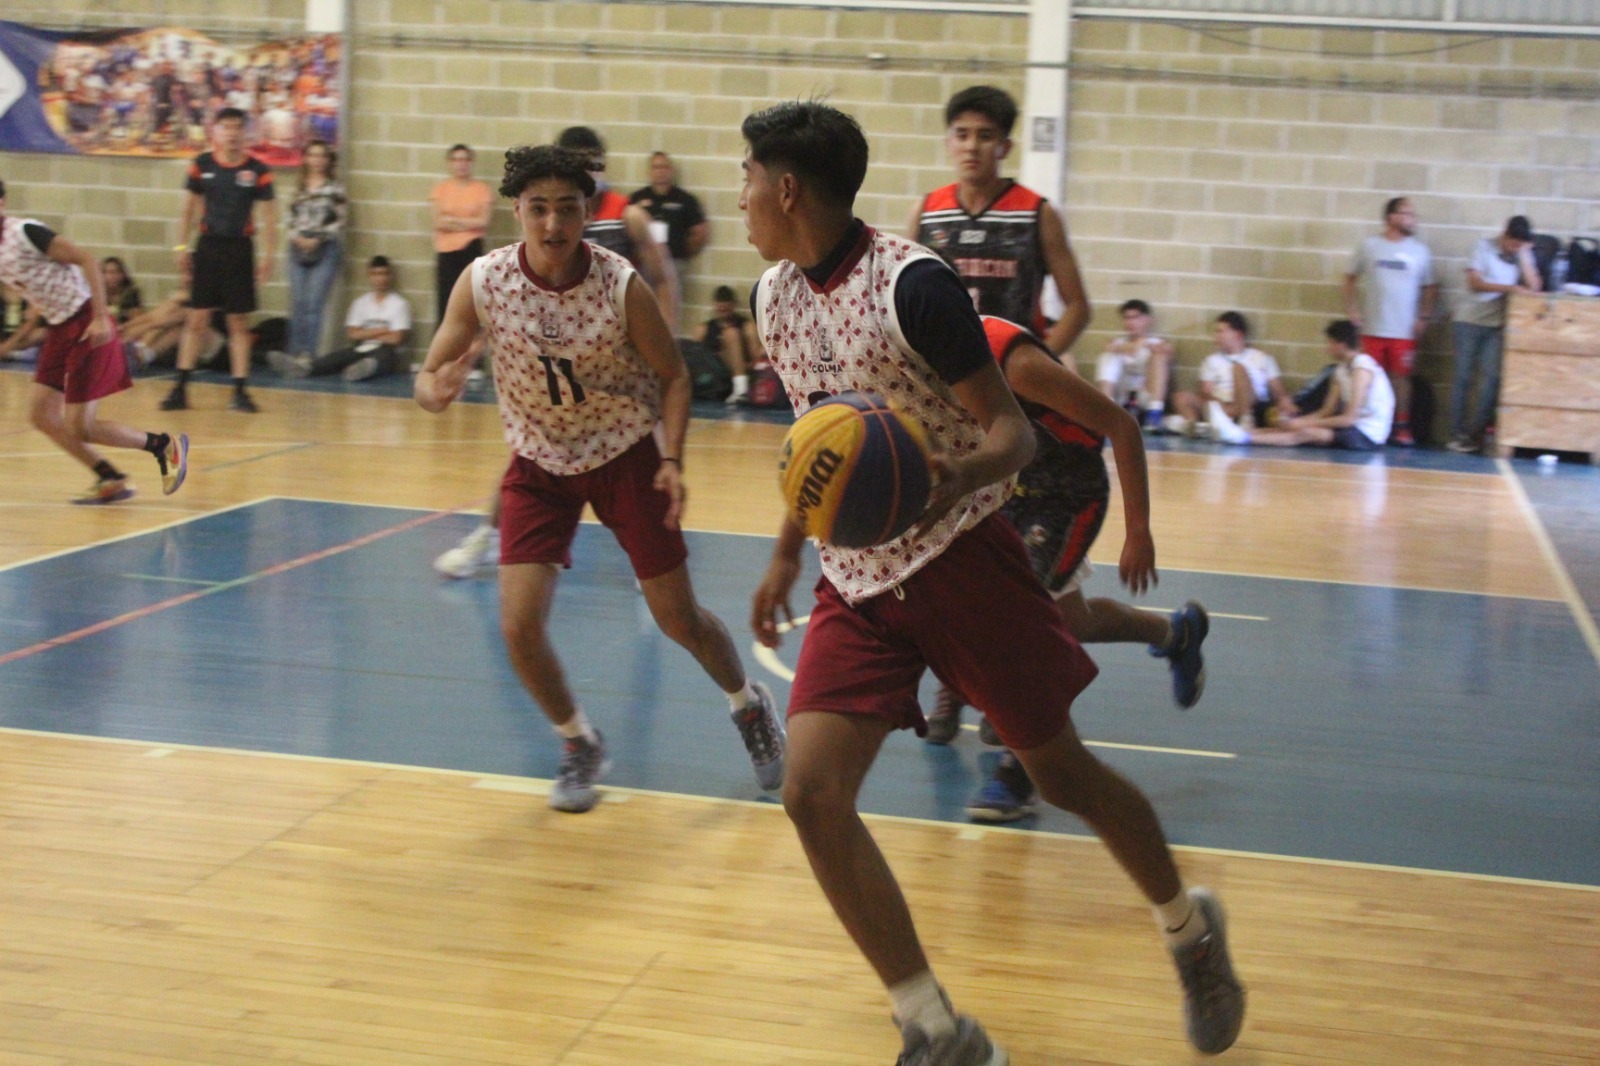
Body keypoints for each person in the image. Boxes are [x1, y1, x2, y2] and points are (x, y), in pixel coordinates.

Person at [741, 101, 1244, 1063]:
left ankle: (1190, 928)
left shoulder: (913, 287)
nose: (743, 199)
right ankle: (936, 1027)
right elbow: (817, 447)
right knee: (811, 794)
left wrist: (957, 473)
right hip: (857, 584)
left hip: (965, 561)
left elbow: (1013, 434)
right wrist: (782, 555)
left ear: (789, 188)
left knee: (1063, 776)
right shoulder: (773, 299)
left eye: (749, 181)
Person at [415, 143, 786, 813]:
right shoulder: (483, 280)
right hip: (538, 464)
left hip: (624, 455)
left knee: (678, 618)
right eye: (538, 209)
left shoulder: (620, 285)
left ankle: (747, 703)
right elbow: (431, 368)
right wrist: (430, 390)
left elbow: (674, 376)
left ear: (588, 213)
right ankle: (579, 741)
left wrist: (671, 461)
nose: (553, 224)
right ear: (517, 211)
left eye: (567, 209)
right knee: (518, 627)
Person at [929, 314, 1209, 826]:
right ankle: (1175, 634)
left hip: (1067, 493)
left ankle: (1018, 773)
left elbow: (1122, 427)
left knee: (1024, 622)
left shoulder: (1017, 364)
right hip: (1008, 485)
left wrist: (1138, 531)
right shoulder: (908, 359)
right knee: (1071, 620)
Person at [431, 126, 683, 581]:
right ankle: (488, 535)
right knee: (530, 449)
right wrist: (464, 358)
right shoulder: (501, 266)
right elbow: (515, 303)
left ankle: (652, 563)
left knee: (650, 509)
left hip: (612, 380)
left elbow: (662, 278)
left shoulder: (626, 216)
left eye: (591, 161)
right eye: (575, 158)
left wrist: (664, 333)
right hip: (551, 377)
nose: (554, 220)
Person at [0, 177, 188, 503]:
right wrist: (21, 335)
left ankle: (164, 446)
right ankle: (110, 477)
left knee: (81, 426)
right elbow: (30, 290)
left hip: (85, 320)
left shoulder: (25, 232)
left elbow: (87, 258)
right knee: (41, 415)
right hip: (59, 326)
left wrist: (100, 316)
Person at [910, 85, 1090, 359]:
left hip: (1012, 364)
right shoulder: (926, 211)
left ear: (1004, 147)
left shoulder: (1037, 213)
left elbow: (1078, 307)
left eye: (985, 136)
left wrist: (1038, 362)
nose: (971, 147)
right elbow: (903, 299)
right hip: (944, 367)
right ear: (949, 143)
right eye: (962, 135)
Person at [160, 106, 276, 413]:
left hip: (240, 250)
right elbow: (188, 210)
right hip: (208, 248)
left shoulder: (258, 170)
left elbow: (269, 217)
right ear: (217, 131)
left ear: (245, 132)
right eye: (227, 127)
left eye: (238, 127)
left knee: (238, 322)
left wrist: (269, 257)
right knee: (197, 319)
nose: (232, 133)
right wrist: (181, 248)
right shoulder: (202, 164)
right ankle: (180, 388)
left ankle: (240, 392)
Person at [556, 126, 674, 324]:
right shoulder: (553, 222)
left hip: (620, 329)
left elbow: (664, 280)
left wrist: (667, 336)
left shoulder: (630, 217)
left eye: (593, 165)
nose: (588, 174)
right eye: (579, 166)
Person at [1344, 196, 1437, 446]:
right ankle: (1367, 423)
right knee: (1369, 376)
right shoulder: (1370, 246)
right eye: (1406, 214)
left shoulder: (1420, 251)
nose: (1412, 219)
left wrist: (1424, 317)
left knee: (1401, 378)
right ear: (1391, 217)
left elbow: (1430, 287)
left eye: (1413, 214)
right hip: (1373, 327)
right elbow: (1350, 277)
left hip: (1403, 330)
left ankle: (1401, 425)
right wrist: (1352, 309)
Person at [1449, 215, 1540, 455]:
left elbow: (1534, 287)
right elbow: (1475, 283)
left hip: (1496, 325)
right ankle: (1456, 434)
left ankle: (1474, 434)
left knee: (1492, 379)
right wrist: (1509, 288)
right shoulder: (1483, 247)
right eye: (1512, 244)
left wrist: (1524, 256)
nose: (1514, 248)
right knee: (1463, 377)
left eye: (1519, 245)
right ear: (1505, 235)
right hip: (1469, 320)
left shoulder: (1520, 254)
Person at [1233, 320, 1395, 451]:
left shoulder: (1362, 368)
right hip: (1354, 427)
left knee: (1306, 433)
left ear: (1342, 345)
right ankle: (1241, 433)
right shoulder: (1340, 371)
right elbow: (1326, 410)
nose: (1327, 349)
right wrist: (1297, 421)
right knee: (1294, 427)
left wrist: (1303, 423)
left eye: (1330, 343)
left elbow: (1349, 419)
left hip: (1368, 434)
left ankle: (1245, 438)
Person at [269, 255, 410, 381]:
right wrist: (383, 330)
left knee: (382, 358)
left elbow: (396, 339)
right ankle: (305, 368)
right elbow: (353, 334)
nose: (380, 279)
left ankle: (362, 370)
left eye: (384, 274)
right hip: (361, 347)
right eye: (376, 274)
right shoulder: (360, 303)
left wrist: (365, 333)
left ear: (390, 276)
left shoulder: (399, 304)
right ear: (369, 276)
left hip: (385, 350)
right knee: (339, 356)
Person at [1168, 311, 1295, 443]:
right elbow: (1206, 393)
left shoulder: (1262, 358)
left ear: (1238, 334)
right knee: (1180, 397)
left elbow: (1279, 392)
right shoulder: (1211, 361)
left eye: (1221, 331)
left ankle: (1243, 420)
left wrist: (1286, 405)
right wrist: (1224, 407)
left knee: (1238, 369)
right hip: (1222, 406)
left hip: (1252, 406)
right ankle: (1196, 427)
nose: (1217, 336)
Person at [629, 151, 709, 332]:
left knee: (669, 313)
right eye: (656, 167)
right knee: (645, 310)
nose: (660, 171)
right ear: (650, 171)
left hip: (673, 263)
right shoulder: (638, 198)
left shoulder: (685, 200)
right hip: (645, 265)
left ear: (671, 170)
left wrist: (682, 253)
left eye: (664, 167)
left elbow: (699, 232)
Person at [283, 139, 347, 363]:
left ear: (327, 160)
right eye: (313, 155)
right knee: (298, 301)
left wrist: (318, 238)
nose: (317, 160)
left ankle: (309, 354)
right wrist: (297, 237)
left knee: (314, 302)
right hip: (297, 245)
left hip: (325, 247)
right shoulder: (299, 186)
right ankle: (294, 352)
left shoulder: (335, 188)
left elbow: (340, 220)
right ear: (307, 159)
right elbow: (290, 217)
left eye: (321, 156)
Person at [430, 144, 494, 328]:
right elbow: (438, 223)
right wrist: (468, 223)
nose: (461, 164)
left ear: (471, 162)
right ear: (450, 163)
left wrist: (453, 221)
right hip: (446, 252)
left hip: (471, 249)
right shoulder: (441, 190)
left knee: (471, 302)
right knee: (446, 301)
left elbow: (483, 222)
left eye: (465, 159)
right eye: (457, 160)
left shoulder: (482, 190)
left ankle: (472, 345)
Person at [1095, 298, 1174, 432]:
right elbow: (1108, 346)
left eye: (1136, 318)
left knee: (1159, 358)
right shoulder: (1117, 342)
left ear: (1147, 320)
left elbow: (1168, 350)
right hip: (1121, 395)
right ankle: (1107, 409)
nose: (1131, 322)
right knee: (1107, 357)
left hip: (1144, 396)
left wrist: (1142, 345)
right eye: (1127, 318)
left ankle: (1154, 413)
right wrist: (1134, 346)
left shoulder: (1157, 342)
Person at [691, 284, 765, 404]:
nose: (723, 309)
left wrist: (741, 365)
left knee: (731, 333)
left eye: (726, 307)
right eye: (720, 306)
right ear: (715, 305)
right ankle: (740, 387)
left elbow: (757, 359)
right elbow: (694, 360)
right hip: (715, 376)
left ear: (734, 305)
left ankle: (741, 388)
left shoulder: (747, 326)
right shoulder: (704, 329)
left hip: (746, 373)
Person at [101, 257, 143, 324]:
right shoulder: (98, 295)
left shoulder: (131, 294)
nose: (110, 277)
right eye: (106, 272)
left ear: (122, 275)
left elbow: (137, 318)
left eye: (114, 272)